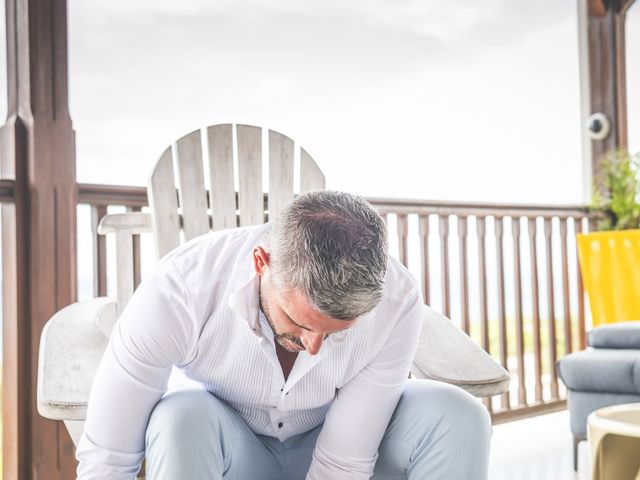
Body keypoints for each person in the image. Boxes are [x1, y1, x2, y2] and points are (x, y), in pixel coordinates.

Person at [76, 190, 491, 479]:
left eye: (334, 334)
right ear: (263, 263)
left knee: (457, 414)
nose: (313, 347)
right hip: (228, 453)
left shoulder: (396, 300)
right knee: (179, 416)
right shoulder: (181, 288)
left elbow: (345, 462)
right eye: (301, 323)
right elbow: (108, 460)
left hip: (340, 445)